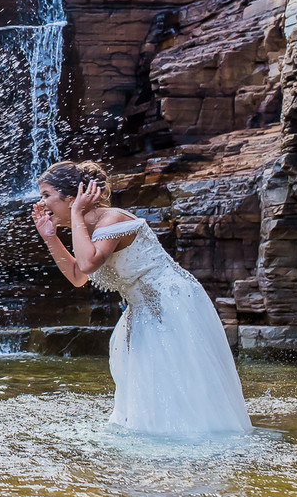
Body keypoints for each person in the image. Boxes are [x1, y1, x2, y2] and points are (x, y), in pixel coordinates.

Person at [31, 160, 251, 434]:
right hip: (141, 307)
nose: (40, 202)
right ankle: (157, 442)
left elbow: (87, 264)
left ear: (72, 196)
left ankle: (193, 439)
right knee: (150, 380)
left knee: (176, 374)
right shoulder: (85, 228)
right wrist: (50, 237)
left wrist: (76, 214)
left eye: (46, 195)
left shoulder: (111, 220)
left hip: (171, 302)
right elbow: (78, 276)